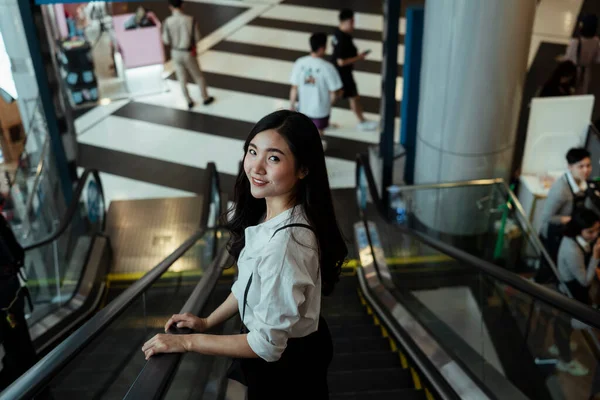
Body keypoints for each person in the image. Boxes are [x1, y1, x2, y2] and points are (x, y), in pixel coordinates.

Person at [142, 110, 348, 399]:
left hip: (289, 368)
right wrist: (207, 321)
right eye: (253, 152)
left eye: (273, 158)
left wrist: (188, 343)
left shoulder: (285, 245)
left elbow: (265, 345)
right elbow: (248, 284)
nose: (256, 167)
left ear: (303, 168)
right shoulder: (271, 215)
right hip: (294, 348)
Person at [551, 208, 600, 376]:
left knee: (563, 324)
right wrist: (595, 256)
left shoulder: (574, 240)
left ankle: (559, 346)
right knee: (564, 323)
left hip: (568, 290)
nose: (595, 235)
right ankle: (565, 360)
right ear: (579, 230)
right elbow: (585, 281)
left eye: (597, 230)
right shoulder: (572, 250)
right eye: (591, 231)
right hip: (570, 292)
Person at [0, 213, 37, 391]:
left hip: (7, 297)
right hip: (8, 295)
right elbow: (16, 252)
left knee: (17, 348)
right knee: (20, 347)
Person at [290, 32, 343, 151]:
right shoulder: (327, 67)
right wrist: (330, 104)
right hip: (321, 109)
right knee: (318, 131)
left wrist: (292, 105)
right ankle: (313, 149)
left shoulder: (300, 62)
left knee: (304, 127)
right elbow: (335, 92)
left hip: (303, 107)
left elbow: (294, 87)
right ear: (322, 48)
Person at [539, 148, 593, 264]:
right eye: (581, 166)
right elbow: (546, 217)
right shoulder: (561, 190)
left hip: (568, 232)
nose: (586, 170)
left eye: (588, 166)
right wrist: (570, 219)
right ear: (570, 167)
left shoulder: (583, 183)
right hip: (553, 234)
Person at [331, 9, 378, 131]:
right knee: (353, 96)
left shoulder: (338, 33)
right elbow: (341, 62)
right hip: (343, 73)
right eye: (351, 22)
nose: (353, 25)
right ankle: (361, 121)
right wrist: (358, 57)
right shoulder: (342, 39)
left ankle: (319, 118)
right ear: (344, 21)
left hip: (338, 73)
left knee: (335, 96)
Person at [162, 0, 214, 110]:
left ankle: (188, 100)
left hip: (175, 52)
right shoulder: (190, 20)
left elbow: (166, 40)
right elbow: (198, 38)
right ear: (183, 5)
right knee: (198, 76)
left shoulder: (167, 21)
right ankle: (205, 97)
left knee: (181, 78)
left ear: (170, 7)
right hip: (188, 52)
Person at [563, 14, 600, 95]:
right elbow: (597, 58)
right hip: (586, 71)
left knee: (571, 91)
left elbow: (569, 59)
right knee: (582, 91)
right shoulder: (596, 41)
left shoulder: (575, 42)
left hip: (574, 72)